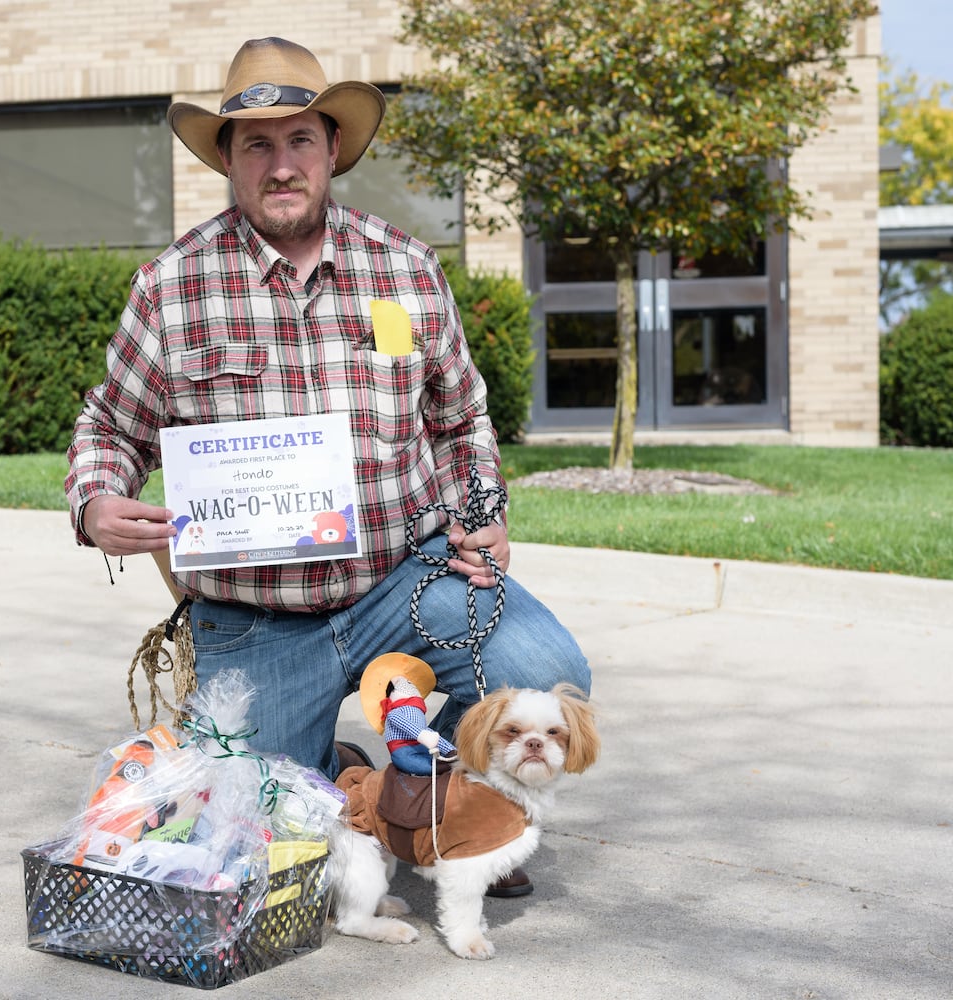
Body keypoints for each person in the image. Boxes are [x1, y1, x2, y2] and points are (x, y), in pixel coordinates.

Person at [64, 39, 591, 893]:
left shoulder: (407, 272)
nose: (281, 165)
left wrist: (487, 510)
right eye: (257, 145)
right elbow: (108, 427)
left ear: (333, 148)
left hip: (404, 580)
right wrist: (96, 503)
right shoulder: (172, 287)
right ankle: (345, 766)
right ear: (227, 160)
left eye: (300, 140)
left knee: (540, 667)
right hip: (257, 622)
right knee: (260, 836)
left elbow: (462, 423)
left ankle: (452, 815)